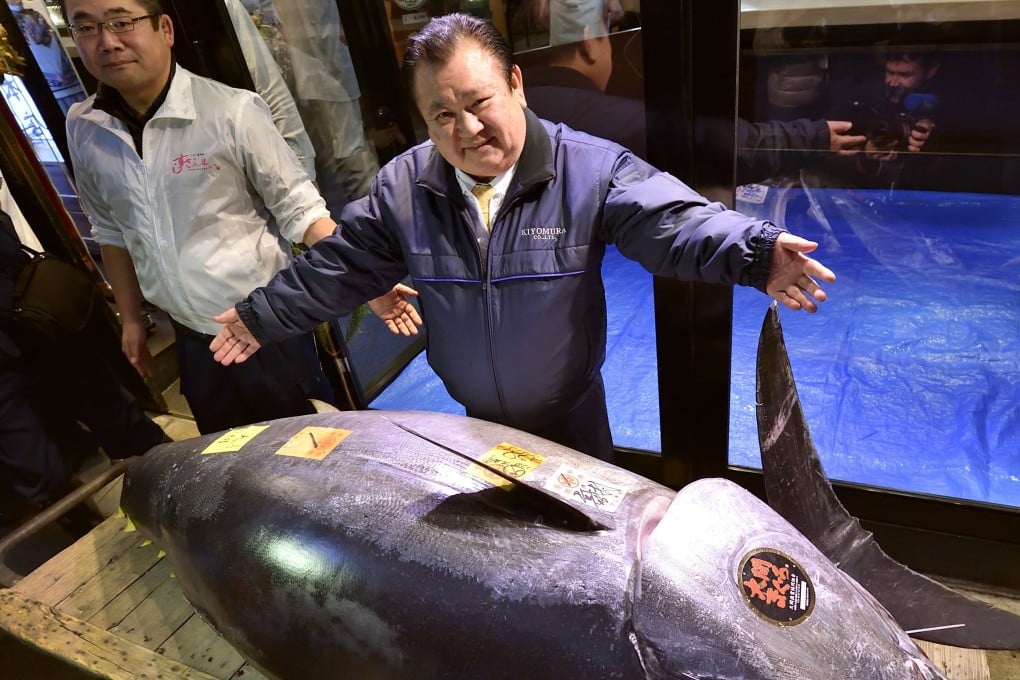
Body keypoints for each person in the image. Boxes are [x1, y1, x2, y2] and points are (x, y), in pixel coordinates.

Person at [210, 13, 836, 462]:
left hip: (571, 411)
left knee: (591, 546)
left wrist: (754, 252)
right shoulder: (406, 185)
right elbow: (341, 266)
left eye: (480, 101)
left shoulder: (587, 168)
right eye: (442, 115)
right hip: (476, 418)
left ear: (516, 83)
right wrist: (261, 316)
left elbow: (672, 222)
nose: (467, 129)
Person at [61, 0, 338, 434]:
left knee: (307, 448)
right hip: (190, 334)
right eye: (87, 28)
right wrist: (132, 320)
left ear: (165, 28)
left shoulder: (232, 111)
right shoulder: (83, 125)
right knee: (224, 452)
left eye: (121, 22)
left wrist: (357, 275)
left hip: (264, 326)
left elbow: (300, 207)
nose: (107, 42)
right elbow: (110, 230)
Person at [0, 199, 166, 530]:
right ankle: (90, 535)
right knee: (35, 460)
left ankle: (176, 476)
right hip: (14, 349)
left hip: (35, 319)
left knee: (110, 408)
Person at [520, 25, 865, 182]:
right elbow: (704, 144)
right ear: (589, 43)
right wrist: (812, 139)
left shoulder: (528, 101)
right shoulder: (590, 116)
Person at [825, 48, 941, 188]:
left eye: (904, 75)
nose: (893, 82)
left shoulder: (947, 106)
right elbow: (830, 161)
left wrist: (933, 147)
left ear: (931, 70)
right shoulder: (864, 99)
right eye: (890, 72)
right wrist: (866, 159)